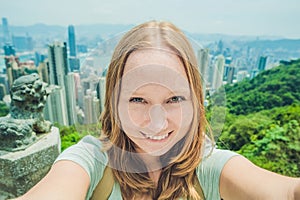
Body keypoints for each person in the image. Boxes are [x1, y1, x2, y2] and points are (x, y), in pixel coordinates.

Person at [17, 21, 299, 200]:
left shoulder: (210, 168)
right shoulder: (90, 161)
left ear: (195, 104)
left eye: (174, 99)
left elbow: (286, 192)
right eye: (137, 100)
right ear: (114, 103)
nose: (156, 122)